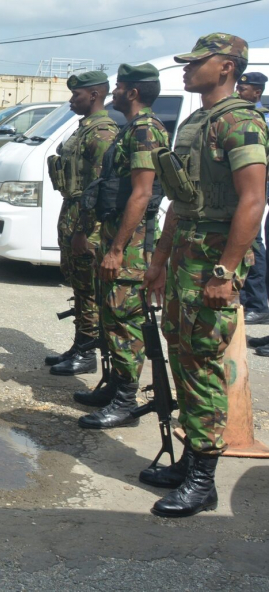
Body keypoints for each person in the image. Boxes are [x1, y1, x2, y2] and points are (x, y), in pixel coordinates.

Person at [143, 33, 267, 517]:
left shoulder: (240, 121)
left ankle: (203, 478)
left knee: (204, 366)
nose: (186, 69)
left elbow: (253, 199)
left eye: (198, 62)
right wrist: (158, 260)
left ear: (227, 67)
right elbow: (180, 197)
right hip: (185, 257)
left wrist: (226, 271)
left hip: (212, 259)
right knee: (184, 357)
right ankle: (192, 458)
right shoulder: (199, 120)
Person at [78, 64, 169, 429]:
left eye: (118, 88)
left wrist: (117, 250)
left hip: (131, 245)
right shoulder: (132, 129)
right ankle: (116, 385)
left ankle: (125, 400)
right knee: (111, 315)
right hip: (118, 236)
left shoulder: (146, 129)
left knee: (125, 320)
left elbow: (143, 193)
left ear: (132, 93)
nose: (112, 93)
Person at [44, 71, 119, 381]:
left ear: (95, 95)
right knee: (78, 283)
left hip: (87, 218)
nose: (72, 99)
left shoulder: (102, 132)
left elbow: (102, 187)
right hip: (73, 210)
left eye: (77, 94)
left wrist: (87, 230)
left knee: (89, 288)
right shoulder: (85, 128)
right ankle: (81, 344)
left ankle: (88, 352)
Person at [236, 72, 269, 327]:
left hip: (256, 187)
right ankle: (249, 301)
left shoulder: (258, 118)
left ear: (256, 92)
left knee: (253, 242)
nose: (239, 90)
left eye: (243, 88)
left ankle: (257, 305)